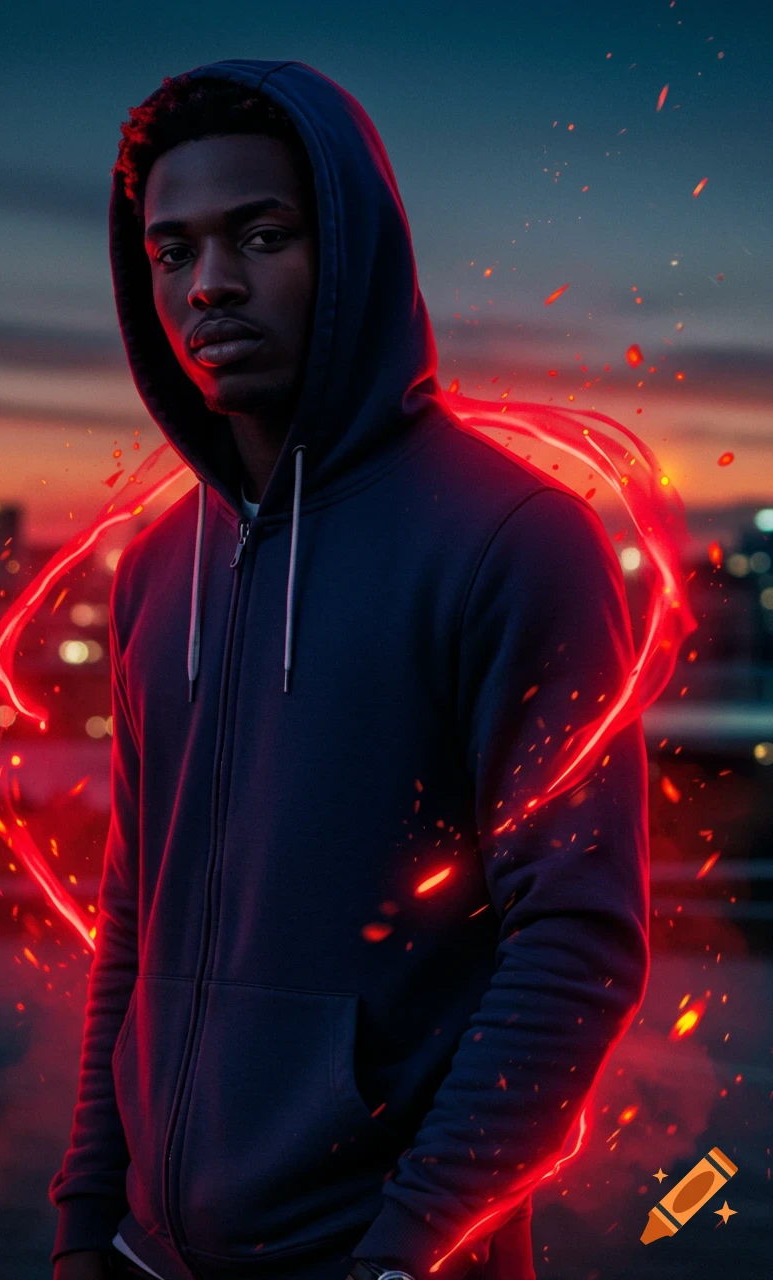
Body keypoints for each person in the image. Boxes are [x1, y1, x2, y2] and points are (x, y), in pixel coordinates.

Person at [48, 60, 650, 1280]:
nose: (209, 284)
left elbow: (574, 941)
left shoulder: (508, 538)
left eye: (259, 235)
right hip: (146, 1258)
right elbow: (133, 916)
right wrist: (83, 1221)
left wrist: (404, 1248)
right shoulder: (160, 566)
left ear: (354, 249)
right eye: (170, 253)